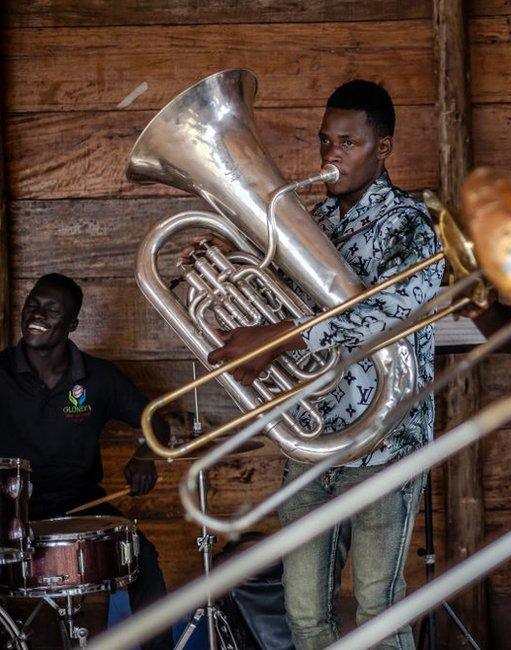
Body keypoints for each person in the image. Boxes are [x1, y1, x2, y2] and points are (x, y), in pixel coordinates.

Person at [203, 80, 444, 649]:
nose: (330, 155)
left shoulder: (414, 223)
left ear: (382, 147)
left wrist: (280, 340)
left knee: (378, 611)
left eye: (347, 142)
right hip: (312, 444)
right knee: (306, 617)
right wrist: (219, 270)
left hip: (386, 442)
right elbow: (272, 309)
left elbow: (384, 312)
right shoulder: (306, 221)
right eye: (323, 142)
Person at [0, 273, 173, 650]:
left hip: (80, 503)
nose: (37, 314)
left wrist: (145, 453)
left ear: (72, 324)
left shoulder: (98, 378)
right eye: (33, 304)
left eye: (51, 309)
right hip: (9, 509)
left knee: (142, 558)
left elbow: (155, 420)